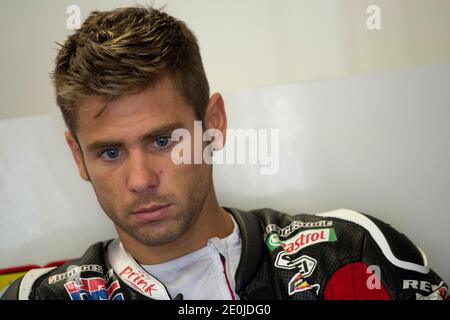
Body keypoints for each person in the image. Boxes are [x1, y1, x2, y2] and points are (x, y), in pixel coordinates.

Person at [1, 6, 447, 300]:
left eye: (163, 141)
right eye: (110, 152)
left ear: (213, 125)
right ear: (78, 156)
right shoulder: (40, 297)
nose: (140, 179)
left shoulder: (351, 254)